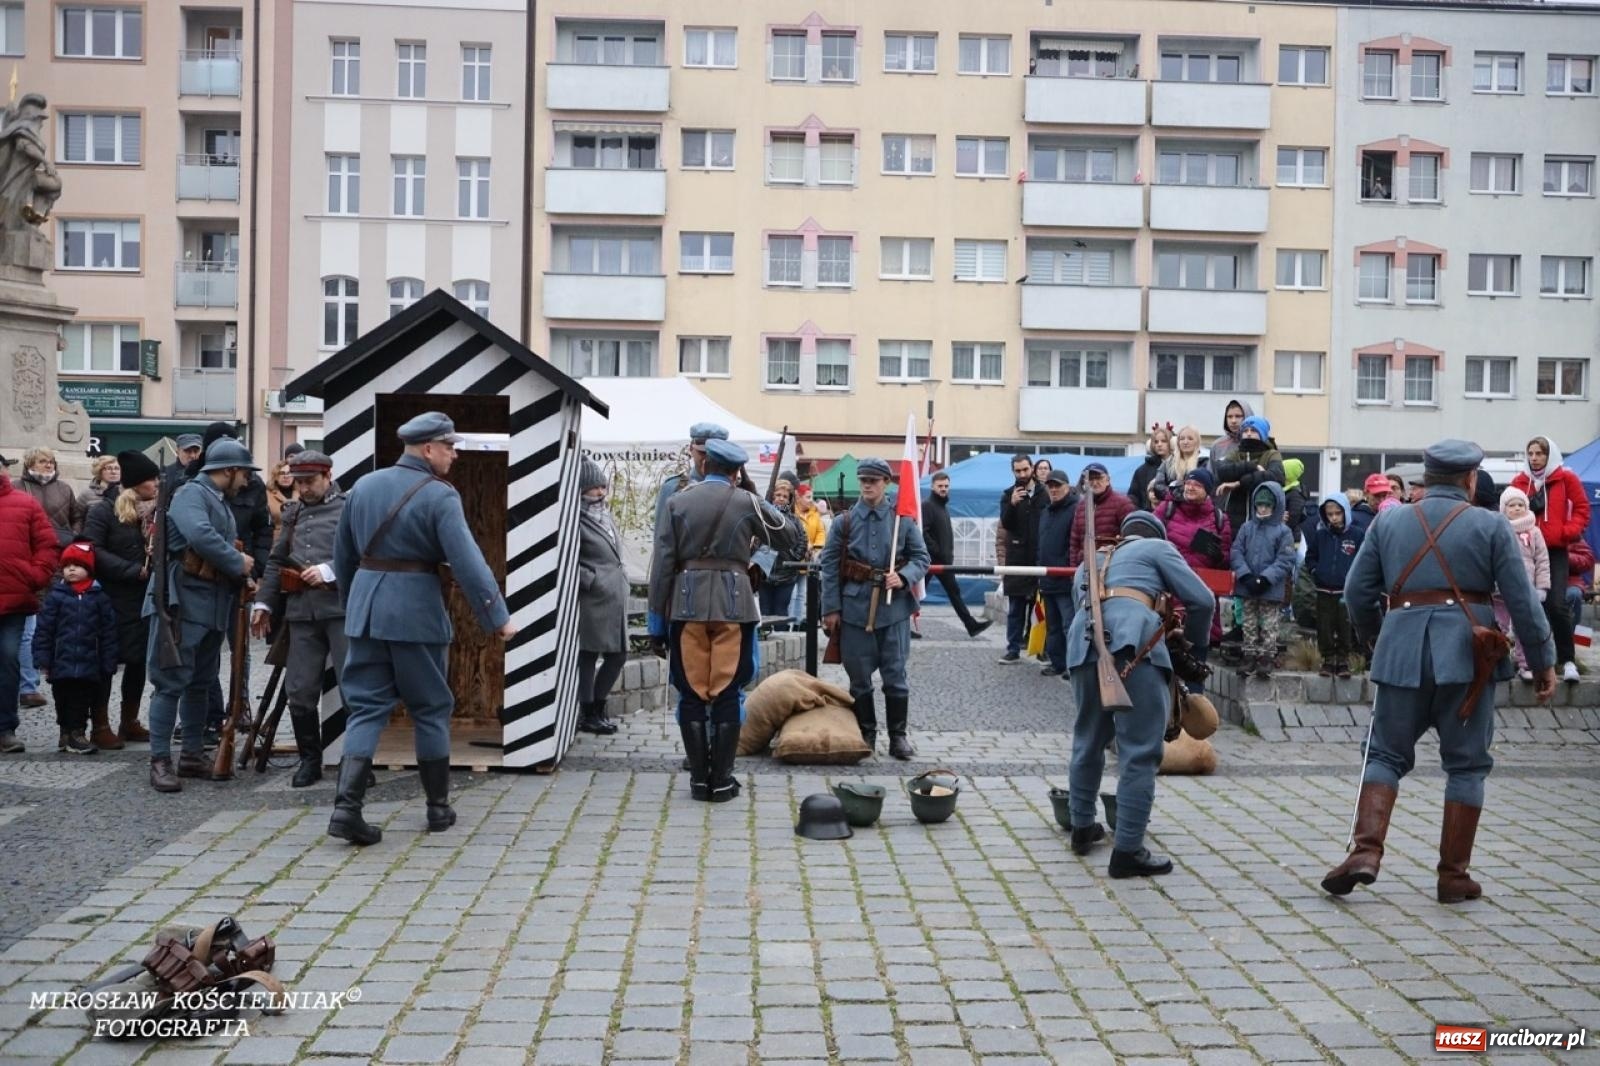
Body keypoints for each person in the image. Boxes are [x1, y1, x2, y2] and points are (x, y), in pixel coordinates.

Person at [1321, 440, 1555, 903]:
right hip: (1468, 658)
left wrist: (1376, 639)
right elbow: (1523, 601)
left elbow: (1355, 591)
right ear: (1471, 480)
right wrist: (1543, 658)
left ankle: (1365, 851)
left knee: (1385, 755)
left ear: (1426, 479)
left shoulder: (1388, 520)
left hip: (1402, 650)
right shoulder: (1490, 525)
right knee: (1466, 764)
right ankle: (1453, 876)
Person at [332, 412, 515, 843]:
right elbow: (468, 562)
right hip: (415, 614)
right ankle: (437, 809)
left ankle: (346, 809)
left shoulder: (363, 486)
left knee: (365, 708)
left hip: (366, 612)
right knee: (431, 707)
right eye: (449, 447)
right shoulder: (440, 495)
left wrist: (353, 608)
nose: (454, 454)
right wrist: (498, 617)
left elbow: (343, 557)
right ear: (428, 449)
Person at [1065, 511, 1214, 878]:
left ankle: (1082, 827)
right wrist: (1192, 649)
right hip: (1135, 646)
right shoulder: (1158, 548)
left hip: (1083, 647)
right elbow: (1203, 600)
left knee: (1088, 739)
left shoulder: (1091, 559)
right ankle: (1128, 849)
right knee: (1140, 752)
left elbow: (1080, 607)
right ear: (1155, 535)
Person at [651, 439, 799, 798]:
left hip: (687, 606)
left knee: (691, 693)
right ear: (737, 471)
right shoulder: (746, 502)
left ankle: (699, 780)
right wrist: (756, 500)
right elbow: (791, 537)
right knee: (728, 691)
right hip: (735, 606)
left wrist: (656, 621)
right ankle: (723, 781)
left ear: (704, 466)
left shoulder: (676, 501)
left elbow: (662, 565)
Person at [142, 438, 258, 793]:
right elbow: (201, 536)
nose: (247, 480)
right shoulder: (193, 494)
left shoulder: (217, 499)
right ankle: (160, 759)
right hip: (182, 600)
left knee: (201, 682)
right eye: (244, 473)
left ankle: (192, 754)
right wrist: (239, 561)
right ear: (228, 470)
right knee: (171, 680)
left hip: (211, 601)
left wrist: (241, 572)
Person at [820, 458, 931, 760]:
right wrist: (830, 609)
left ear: (886, 483)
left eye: (874, 480)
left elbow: (922, 558)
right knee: (858, 678)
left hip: (893, 610)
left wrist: (904, 577)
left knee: (895, 675)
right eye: (864, 480)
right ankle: (866, 732)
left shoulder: (901, 520)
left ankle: (898, 736)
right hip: (854, 608)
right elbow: (829, 566)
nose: (868, 485)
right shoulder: (844, 521)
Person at [251, 450, 349, 787]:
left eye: (310, 481)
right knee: (300, 689)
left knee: (355, 689)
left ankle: (356, 765)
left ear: (327, 477)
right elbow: (277, 563)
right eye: (300, 482)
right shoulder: (292, 514)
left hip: (341, 610)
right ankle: (310, 760)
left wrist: (329, 571)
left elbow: (365, 554)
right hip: (301, 613)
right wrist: (263, 604)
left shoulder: (349, 509)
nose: (304, 489)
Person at [81, 449, 162, 747]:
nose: (156, 484)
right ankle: (100, 726)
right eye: (151, 479)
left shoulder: (157, 510)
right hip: (112, 596)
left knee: (139, 662)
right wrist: (131, 570)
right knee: (107, 663)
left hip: (145, 598)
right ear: (135, 483)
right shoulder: (104, 510)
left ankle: (130, 721)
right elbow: (91, 548)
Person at [1511, 436, 1591, 683]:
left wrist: (1567, 532)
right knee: (1529, 606)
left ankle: (1567, 661)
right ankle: (1531, 661)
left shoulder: (1566, 478)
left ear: (1549, 455)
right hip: (1526, 549)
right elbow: (1506, 508)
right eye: (1531, 453)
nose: (1534, 458)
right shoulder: (1520, 481)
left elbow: (1582, 509)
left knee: (1557, 604)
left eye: (1539, 453)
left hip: (1555, 551)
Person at [17, 446, 86, 709]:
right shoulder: (18, 486)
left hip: (59, 556)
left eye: (50, 461)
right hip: (30, 558)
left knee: (58, 614)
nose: (48, 465)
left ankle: (53, 667)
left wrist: (70, 537)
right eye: (42, 461)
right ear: (30, 463)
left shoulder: (64, 488)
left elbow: (76, 517)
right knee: (30, 623)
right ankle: (28, 679)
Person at [33, 542, 118, 755]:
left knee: (82, 699)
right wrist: (43, 658)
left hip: (89, 661)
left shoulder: (99, 597)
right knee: (61, 697)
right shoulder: (56, 597)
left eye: (77, 565)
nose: (71, 569)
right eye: (67, 565)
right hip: (60, 661)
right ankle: (65, 730)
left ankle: (77, 732)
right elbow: (44, 629)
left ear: (88, 569)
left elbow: (108, 632)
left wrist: (108, 660)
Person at [0, 453, 59, 754]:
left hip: (14, 599)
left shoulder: (25, 503)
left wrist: (35, 577)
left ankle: (5, 728)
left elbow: (47, 545)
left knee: (8, 662)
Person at [574, 459, 626, 737]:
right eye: (594, 487)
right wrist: (590, 578)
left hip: (614, 595)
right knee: (588, 654)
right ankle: (589, 711)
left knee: (619, 655)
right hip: (593, 597)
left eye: (602, 485)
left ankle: (597, 704)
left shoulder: (605, 515)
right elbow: (567, 558)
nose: (600, 492)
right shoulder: (574, 519)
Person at [1230, 482, 1295, 679]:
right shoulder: (1247, 527)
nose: (1263, 508)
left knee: (1269, 625)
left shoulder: (1283, 532)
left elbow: (1285, 559)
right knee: (1248, 624)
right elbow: (1236, 551)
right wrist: (1246, 574)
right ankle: (1249, 654)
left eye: (1267, 505)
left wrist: (1266, 578)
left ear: (1275, 506)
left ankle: (1266, 656)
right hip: (1248, 585)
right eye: (1259, 505)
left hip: (1270, 588)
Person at [922, 471, 992, 638]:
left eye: (946, 486)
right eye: (940, 486)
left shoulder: (942, 507)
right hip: (933, 561)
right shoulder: (928, 506)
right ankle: (971, 625)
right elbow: (923, 532)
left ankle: (971, 625)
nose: (943, 489)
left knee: (953, 592)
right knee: (915, 594)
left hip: (943, 561)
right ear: (933, 487)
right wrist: (936, 551)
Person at [1495, 487, 1550, 682]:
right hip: (1501, 588)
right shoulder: (1499, 529)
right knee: (1500, 625)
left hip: (1526, 587)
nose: (1517, 508)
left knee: (1523, 626)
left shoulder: (1534, 532)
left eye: (1520, 505)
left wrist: (1542, 587)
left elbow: (1542, 560)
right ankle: (1499, 661)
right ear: (1504, 508)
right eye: (1512, 505)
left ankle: (1524, 663)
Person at [1305, 495, 1363, 678]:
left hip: (1345, 591)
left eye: (1338, 513)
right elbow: (1310, 556)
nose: (1334, 518)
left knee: (1345, 626)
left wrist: (1355, 580)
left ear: (1346, 512)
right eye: (1330, 514)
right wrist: (1316, 570)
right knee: (1325, 627)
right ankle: (1328, 660)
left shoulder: (1357, 535)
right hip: (1324, 589)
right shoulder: (1321, 535)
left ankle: (1343, 660)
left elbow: (1363, 560)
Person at [997, 454, 1041, 664]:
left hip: (1039, 557)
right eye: (1018, 471)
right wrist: (1012, 504)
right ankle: (1012, 648)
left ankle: (1039, 646)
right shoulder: (1008, 494)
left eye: (1025, 469)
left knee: (1038, 607)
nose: (1022, 474)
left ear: (1032, 468)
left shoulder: (1044, 493)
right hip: (1017, 557)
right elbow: (1005, 525)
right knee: (1015, 608)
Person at [1212, 415, 1284, 537]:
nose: (1249, 434)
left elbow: (1276, 477)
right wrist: (1252, 467)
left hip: (1263, 515)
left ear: (1263, 434)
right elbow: (1222, 471)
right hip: (1234, 516)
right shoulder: (1235, 453)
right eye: (1245, 431)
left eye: (1254, 430)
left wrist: (1239, 483)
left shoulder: (1272, 454)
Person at [1036, 469, 1077, 677]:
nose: (1053, 489)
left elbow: (1074, 545)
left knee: (1069, 626)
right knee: (1052, 626)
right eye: (1050, 486)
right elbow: (1041, 545)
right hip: (1047, 579)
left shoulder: (1076, 510)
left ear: (1067, 487)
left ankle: (1072, 665)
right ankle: (1057, 662)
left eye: (1057, 486)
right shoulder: (1045, 512)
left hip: (1065, 579)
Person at [757, 479, 805, 628]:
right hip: (764, 574)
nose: (781, 498)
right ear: (772, 496)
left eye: (785, 496)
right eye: (778, 495)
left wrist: (793, 558)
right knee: (764, 612)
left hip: (786, 574)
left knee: (781, 612)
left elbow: (803, 541)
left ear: (789, 500)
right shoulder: (762, 517)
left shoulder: (795, 521)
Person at [1068, 463, 1133, 568]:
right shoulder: (1081, 506)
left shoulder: (1123, 503)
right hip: (1084, 568)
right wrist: (1074, 571)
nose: (1094, 482)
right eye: (1090, 479)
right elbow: (1074, 542)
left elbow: (1130, 539)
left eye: (1099, 478)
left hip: (1112, 567)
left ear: (1108, 480)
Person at [1127, 424, 1173, 511]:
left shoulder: (1179, 468)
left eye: (1163, 441)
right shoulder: (1142, 471)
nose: (1159, 444)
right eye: (1156, 442)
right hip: (1148, 519)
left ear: (1172, 443)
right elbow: (1132, 498)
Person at [1208, 399, 1254, 464]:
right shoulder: (1217, 446)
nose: (1233, 421)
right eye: (1229, 417)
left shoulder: (1259, 444)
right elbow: (1211, 473)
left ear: (1247, 416)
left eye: (1238, 416)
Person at [1281, 458, 1308, 545]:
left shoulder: (1295, 494)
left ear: (1289, 473)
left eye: (1282, 470)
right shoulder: (1287, 489)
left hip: (1290, 539)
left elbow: (1292, 519)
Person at [266, 461, 297, 536]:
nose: (286, 476)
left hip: (299, 540)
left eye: (289, 473)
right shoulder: (267, 495)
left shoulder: (301, 494)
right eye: (282, 473)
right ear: (276, 476)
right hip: (276, 539)